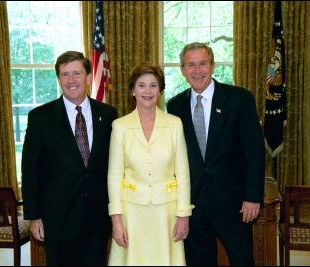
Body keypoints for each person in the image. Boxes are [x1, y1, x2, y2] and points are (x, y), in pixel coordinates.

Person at [166, 42, 265, 266]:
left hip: (234, 203)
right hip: (193, 204)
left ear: (212, 66)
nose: (197, 70)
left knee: (242, 260)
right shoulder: (175, 106)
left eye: (202, 63)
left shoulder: (239, 99)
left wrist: (252, 197)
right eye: (190, 65)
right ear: (182, 70)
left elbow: (255, 152)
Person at [21, 50, 117, 266]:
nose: (71, 80)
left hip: (96, 216)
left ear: (89, 77)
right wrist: (34, 216)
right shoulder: (40, 118)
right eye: (65, 74)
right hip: (57, 217)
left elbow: (114, 165)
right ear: (58, 79)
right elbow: (30, 170)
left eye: (76, 73)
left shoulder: (109, 114)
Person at [107, 61, 193, 266]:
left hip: (167, 213)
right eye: (141, 85)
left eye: (153, 85)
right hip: (131, 213)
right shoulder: (119, 127)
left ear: (160, 90)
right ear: (133, 90)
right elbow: (114, 176)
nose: (148, 91)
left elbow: (182, 173)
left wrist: (184, 215)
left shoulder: (174, 124)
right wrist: (116, 220)